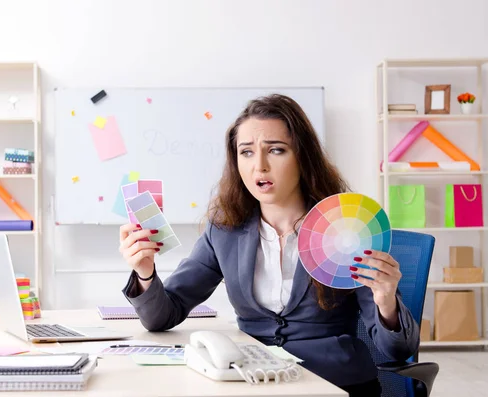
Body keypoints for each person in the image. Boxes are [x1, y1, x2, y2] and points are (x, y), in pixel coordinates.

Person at [118, 94, 420, 397]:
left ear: (303, 157)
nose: (259, 166)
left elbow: (398, 350)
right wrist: (145, 273)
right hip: (255, 381)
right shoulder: (224, 230)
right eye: (246, 152)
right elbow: (162, 316)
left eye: (276, 150)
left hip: (334, 384)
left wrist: (386, 302)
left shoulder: (349, 228)